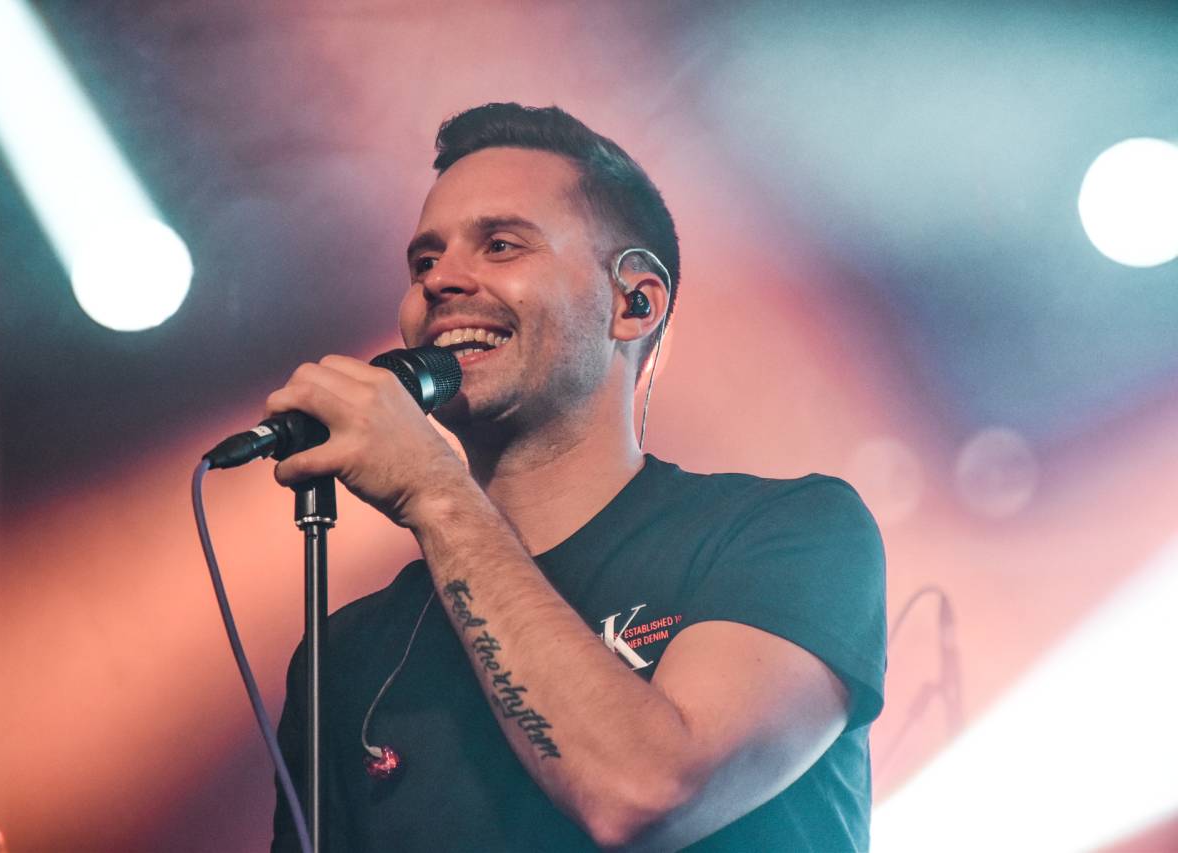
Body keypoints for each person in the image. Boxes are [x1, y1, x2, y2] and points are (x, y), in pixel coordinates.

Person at [269, 103, 886, 852]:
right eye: (423, 262)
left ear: (634, 303)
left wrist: (433, 489)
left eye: (501, 245)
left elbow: (645, 792)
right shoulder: (350, 654)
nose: (440, 282)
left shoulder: (789, 534)